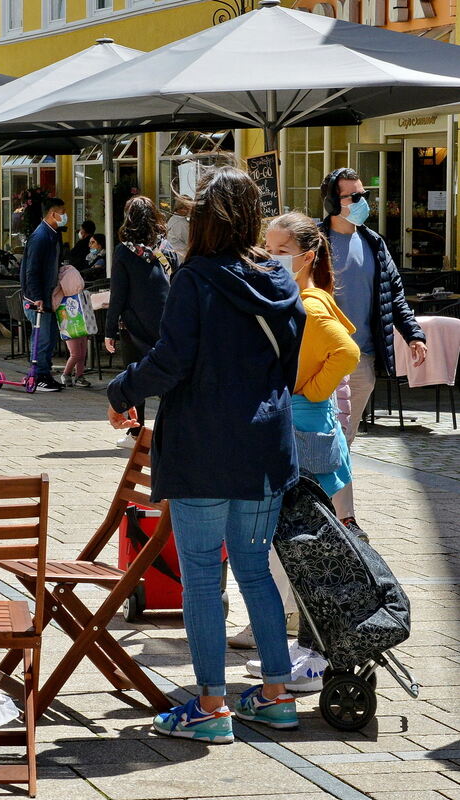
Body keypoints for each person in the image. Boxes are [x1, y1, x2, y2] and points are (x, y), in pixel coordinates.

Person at [107, 166, 305, 744]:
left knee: (200, 575)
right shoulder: (279, 278)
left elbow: (171, 361)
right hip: (264, 445)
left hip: (202, 445)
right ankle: (276, 696)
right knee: (254, 569)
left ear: (204, 221)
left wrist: (121, 390)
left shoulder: (196, 278)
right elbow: (287, 365)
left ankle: (212, 706)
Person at [227, 211, 361, 678]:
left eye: (281, 251)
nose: (270, 257)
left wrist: (313, 392)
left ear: (307, 256)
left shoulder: (309, 302)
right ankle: (306, 645)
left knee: (305, 545)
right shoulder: (293, 296)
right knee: (297, 543)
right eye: (267, 248)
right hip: (301, 427)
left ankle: (317, 654)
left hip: (306, 432)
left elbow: (347, 351)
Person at [318, 168, 427, 540]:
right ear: (332, 202)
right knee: (326, 439)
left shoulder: (374, 242)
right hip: (322, 360)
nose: (363, 202)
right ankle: (341, 519)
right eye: (354, 197)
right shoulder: (315, 242)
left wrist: (413, 335)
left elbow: (394, 296)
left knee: (344, 440)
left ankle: (334, 517)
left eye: (363, 195)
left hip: (361, 359)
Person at [104, 195, 179, 448]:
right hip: (166, 324)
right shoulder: (166, 248)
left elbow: (118, 295)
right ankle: (170, 432)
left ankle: (136, 433)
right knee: (167, 376)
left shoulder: (124, 251)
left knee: (135, 376)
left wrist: (109, 330)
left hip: (134, 326)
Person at [19, 196, 66, 392]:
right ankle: (38, 376)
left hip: (49, 296)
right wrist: (37, 296)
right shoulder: (40, 237)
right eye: (62, 213)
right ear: (52, 214)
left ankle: (45, 373)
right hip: (38, 299)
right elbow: (32, 270)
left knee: (50, 337)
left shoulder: (53, 234)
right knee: (42, 338)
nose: (65, 216)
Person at [54, 261, 91, 388]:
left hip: (74, 323)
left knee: (81, 353)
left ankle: (79, 375)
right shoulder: (72, 292)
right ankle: (67, 373)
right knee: (77, 353)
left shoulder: (59, 292)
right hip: (73, 323)